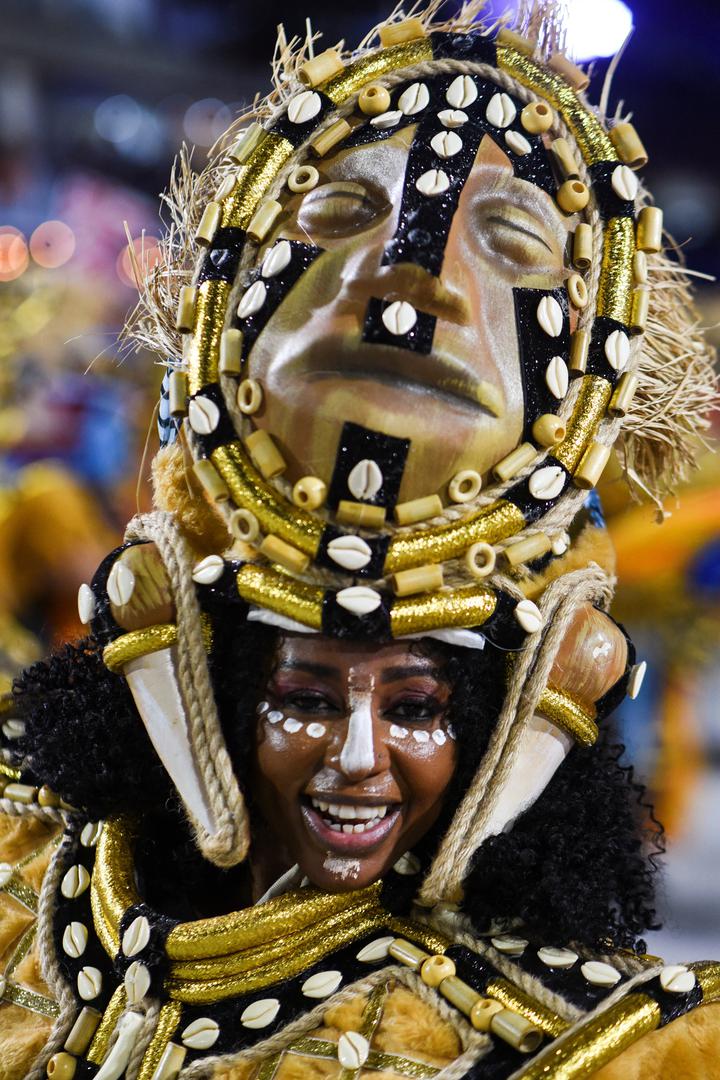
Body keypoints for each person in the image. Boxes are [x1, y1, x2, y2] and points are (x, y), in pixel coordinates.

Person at [1, 5, 718, 1078]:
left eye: (419, 706)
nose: (407, 286)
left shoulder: (602, 1049)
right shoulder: (21, 871)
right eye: (304, 693)